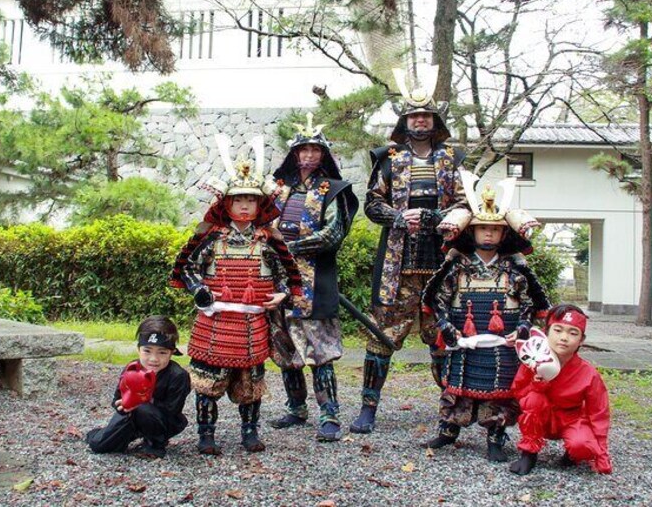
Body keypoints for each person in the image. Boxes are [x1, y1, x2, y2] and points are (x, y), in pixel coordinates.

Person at [350, 66, 468, 434]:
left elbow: (467, 203)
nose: (420, 121)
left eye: (425, 116)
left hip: (443, 263)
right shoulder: (388, 159)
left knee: (443, 337)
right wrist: (400, 218)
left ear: (435, 121)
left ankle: (452, 408)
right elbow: (371, 205)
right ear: (406, 121)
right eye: (414, 116)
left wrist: (436, 216)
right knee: (381, 335)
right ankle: (368, 408)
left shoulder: (453, 159)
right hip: (397, 264)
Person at [171, 135, 302, 455]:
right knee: (206, 385)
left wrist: (282, 294)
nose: (245, 205)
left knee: (251, 386)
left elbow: (288, 275)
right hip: (215, 321)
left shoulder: (269, 239)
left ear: (260, 205)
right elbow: (185, 268)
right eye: (238, 199)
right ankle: (206, 436)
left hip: (252, 324)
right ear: (226, 203)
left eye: (251, 200)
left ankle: (249, 433)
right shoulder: (211, 237)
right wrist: (200, 290)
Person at [421, 171, 547, 461]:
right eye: (481, 229)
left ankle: (495, 435)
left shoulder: (515, 269)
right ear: (471, 232)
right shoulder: (456, 267)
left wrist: (524, 328)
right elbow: (436, 300)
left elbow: (530, 303)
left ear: (504, 234)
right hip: (463, 339)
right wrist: (447, 328)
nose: (488, 233)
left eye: (495, 229)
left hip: (503, 342)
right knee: (457, 383)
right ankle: (448, 429)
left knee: (500, 389)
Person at [269, 113, 359, 442]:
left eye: (314, 151)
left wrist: (288, 245)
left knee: (319, 351)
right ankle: (296, 408)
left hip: (315, 281)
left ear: (323, 155)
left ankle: (330, 413)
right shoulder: (278, 190)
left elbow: (332, 234)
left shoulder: (333, 190)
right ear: (294, 154)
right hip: (277, 282)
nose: (308, 156)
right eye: (302, 150)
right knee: (285, 348)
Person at [509, 304, 612, 475]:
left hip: (571, 419)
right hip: (540, 416)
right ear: (546, 332)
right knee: (534, 398)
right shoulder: (533, 362)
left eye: (573, 333)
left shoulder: (589, 373)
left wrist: (601, 452)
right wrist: (537, 385)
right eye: (558, 330)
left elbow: (599, 412)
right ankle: (529, 453)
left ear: (581, 340)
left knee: (583, 446)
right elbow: (517, 391)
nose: (564, 338)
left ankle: (572, 454)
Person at [86, 315, 190, 459]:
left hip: (163, 421)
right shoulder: (132, 369)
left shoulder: (178, 376)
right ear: (138, 349)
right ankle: (101, 433)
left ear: (171, 353)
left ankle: (155, 444)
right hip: (131, 417)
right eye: (147, 351)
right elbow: (117, 398)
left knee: (143, 408)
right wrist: (123, 406)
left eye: (162, 352)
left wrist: (141, 402)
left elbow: (172, 410)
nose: (153, 359)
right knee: (99, 445)